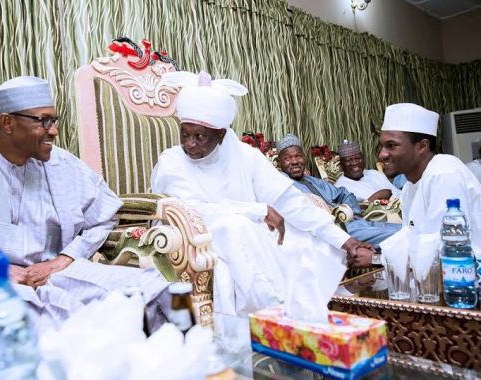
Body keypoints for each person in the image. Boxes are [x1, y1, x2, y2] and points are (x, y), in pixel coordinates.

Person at [0, 76, 169, 363]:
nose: (55, 130)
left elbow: (103, 217)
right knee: (16, 336)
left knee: (158, 289)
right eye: (44, 121)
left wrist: (63, 260)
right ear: (8, 123)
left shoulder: (62, 165)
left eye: (54, 120)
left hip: (54, 277)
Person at [151, 70, 374, 323]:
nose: (190, 144)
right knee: (236, 227)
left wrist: (345, 241)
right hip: (198, 235)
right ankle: (279, 319)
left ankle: (320, 311)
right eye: (185, 134)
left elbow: (289, 201)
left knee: (308, 238)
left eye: (200, 136)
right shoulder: (171, 161)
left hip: (252, 232)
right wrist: (256, 211)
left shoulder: (246, 156)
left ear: (221, 134)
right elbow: (188, 209)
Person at [378, 103, 481, 251]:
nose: (382, 154)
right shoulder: (408, 188)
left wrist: (379, 257)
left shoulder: (444, 172)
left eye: (392, 145)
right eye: (382, 146)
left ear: (422, 146)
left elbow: (446, 247)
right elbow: (411, 240)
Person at [276, 134, 400, 248]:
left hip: (354, 222)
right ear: (279, 162)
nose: (294, 162)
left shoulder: (315, 181)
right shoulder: (282, 185)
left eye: (298, 156)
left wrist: (349, 212)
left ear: (304, 157)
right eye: (287, 158)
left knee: (403, 229)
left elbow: (345, 194)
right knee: (398, 236)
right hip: (335, 232)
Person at [334, 140, 401, 202]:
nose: (355, 163)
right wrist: (376, 197)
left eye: (358, 158)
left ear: (363, 159)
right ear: (341, 165)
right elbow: (350, 210)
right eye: (349, 160)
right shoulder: (340, 187)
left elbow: (399, 194)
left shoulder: (375, 173)